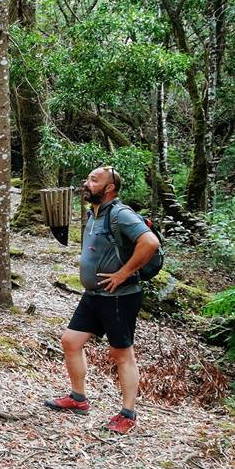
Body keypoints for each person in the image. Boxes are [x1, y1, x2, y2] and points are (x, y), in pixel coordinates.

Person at [45, 166, 160, 434]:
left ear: (109, 188)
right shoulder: (94, 213)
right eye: (87, 178)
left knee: (122, 354)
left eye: (94, 180)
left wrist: (123, 273)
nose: (87, 183)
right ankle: (78, 398)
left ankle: (128, 414)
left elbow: (150, 242)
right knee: (71, 341)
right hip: (94, 295)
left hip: (119, 297)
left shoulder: (121, 214)